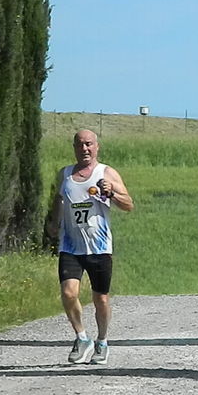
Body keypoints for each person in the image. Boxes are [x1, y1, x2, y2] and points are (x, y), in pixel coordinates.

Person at [47, 129, 134, 365]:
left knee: (101, 299)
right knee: (68, 293)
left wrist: (112, 192)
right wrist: (54, 222)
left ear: (97, 147)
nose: (84, 149)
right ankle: (81, 337)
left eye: (89, 144)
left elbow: (128, 205)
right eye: (79, 145)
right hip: (70, 246)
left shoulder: (105, 173)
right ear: (74, 147)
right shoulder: (64, 174)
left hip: (99, 247)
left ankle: (102, 341)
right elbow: (58, 198)